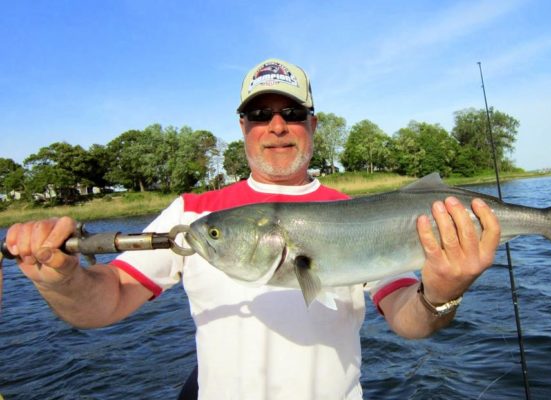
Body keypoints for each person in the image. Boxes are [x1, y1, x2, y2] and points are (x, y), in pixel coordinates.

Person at [5, 58, 500, 399]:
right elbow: (106, 300)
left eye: (292, 113)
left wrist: (442, 293)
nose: (277, 125)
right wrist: (63, 278)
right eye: (260, 114)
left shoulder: (353, 210)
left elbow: (407, 320)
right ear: (243, 126)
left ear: (313, 123)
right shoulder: (194, 212)